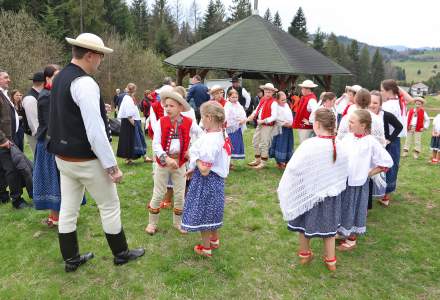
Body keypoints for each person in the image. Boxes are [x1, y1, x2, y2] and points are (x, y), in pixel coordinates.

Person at [47, 33, 144, 272]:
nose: (101, 60)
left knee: (68, 209)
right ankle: (121, 253)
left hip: (63, 158)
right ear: (89, 55)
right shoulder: (85, 83)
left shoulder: (59, 78)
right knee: (109, 205)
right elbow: (96, 132)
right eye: (100, 55)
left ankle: (71, 260)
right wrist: (112, 167)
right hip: (86, 159)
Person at [278, 108, 348, 271]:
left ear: (316, 124)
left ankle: (305, 254)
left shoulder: (309, 145)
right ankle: (331, 261)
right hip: (331, 195)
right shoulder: (341, 144)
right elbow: (344, 170)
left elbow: (294, 168)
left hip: (310, 193)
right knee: (330, 230)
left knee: (303, 225)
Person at [145, 89, 203, 235]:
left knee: (179, 193)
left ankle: (178, 223)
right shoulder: (161, 122)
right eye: (166, 106)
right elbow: (156, 144)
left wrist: (192, 150)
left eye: (172, 106)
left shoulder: (189, 122)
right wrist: (166, 158)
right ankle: (152, 223)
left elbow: (202, 136)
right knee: (158, 193)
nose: (168, 108)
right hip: (163, 163)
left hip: (181, 163)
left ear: (180, 108)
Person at [337, 110, 393, 251]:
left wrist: (368, 173)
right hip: (344, 181)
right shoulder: (348, 138)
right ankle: (343, 231)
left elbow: (386, 162)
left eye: (352, 122)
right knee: (343, 207)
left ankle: (351, 239)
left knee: (354, 209)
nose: (349, 124)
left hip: (358, 184)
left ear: (363, 125)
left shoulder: (371, 142)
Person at [181, 101, 231, 257]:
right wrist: (192, 169)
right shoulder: (222, 133)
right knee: (212, 210)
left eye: (202, 117)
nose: (201, 119)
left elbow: (204, 169)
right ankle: (214, 240)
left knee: (203, 213)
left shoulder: (210, 140)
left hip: (207, 181)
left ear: (209, 117)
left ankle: (205, 247)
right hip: (217, 181)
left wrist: (194, 158)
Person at [33, 64, 62, 227]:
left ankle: (55, 216)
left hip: (52, 141)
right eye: (56, 75)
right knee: (52, 180)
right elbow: (52, 123)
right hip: (48, 142)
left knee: (57, 179)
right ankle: (55, 217)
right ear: (47, 78)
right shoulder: (46, 96)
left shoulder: (52, 93)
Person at [0, 69, 31, 208]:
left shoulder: (4, 94)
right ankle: (17, 200)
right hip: (4, 141)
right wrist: (3, 140)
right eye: (6, 77)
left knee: (3, 169)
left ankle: (3, 195)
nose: (9, 80)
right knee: (11, 169)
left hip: (9, 139)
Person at [380, 79, 413, 204]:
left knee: (388, 165)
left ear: (389, 91)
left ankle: (385, 195)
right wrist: (396, 87)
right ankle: (386, 194)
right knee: (393, 164)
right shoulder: (400, 101)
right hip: (396, 138)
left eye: (382, 90)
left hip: (389, 138)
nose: (381, 92)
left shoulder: (388, 105)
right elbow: (411, 99)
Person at [368, 91, 403, 206]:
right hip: (369, 147)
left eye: (375, 103)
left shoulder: (386, 115)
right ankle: (369, 196)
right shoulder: (364, 114)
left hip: (384, 147)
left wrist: (389, 140)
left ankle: (385, 195)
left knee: (385, 170)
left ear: (380, 104)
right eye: (370, 102)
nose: (372, 105)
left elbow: (399, 126)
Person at [247, 83, 278, 170]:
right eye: (266, 91)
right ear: (263, 91)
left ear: (272, 92)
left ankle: (263, 162)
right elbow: (257, 109)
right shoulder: (263, 99)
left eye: (269, 92)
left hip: (267, 125)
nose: (267, 93)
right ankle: (257, 159)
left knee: (264, 143)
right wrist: (252, 115)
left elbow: (274, 116)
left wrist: (263, 121)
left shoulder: (274, 102)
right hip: (260, 124)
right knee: (255, 141)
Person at [117, 83, 147, 164]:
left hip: (132, 121)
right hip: (130, 122)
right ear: (134, 90)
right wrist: (135, 125)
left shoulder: (130, 98)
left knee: (134, 140)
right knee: (130, 140)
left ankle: (142, 156)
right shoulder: (127, 99)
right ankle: (128, 159)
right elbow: (129, 115)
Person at [269, 91, 294, 169]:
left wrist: (291, 123)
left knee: (288, 144)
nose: (284, 101)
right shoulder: (276, 106)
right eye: (282, 100)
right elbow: (276, 118)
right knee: (280, 144)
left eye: (285, 99)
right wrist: (285, 124)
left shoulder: (286, 105)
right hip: (281, 128)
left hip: (289, 128)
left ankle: (287, 161)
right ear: (277, 100)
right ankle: (279, 162)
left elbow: (290, 115)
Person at [22, 71, 45, 154]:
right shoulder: (30, 98)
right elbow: (33, 123)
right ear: (44, 83)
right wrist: (41, 138)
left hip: (40, 135)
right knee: (39, 159)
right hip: (37, 137)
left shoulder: (38, 95)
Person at [224, 89, 247, 165]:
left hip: (238, 128)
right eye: (233, 97)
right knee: (230, 144)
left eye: (236, 97)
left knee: (235, 144)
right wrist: (235, 122)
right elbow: (227, 117)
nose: (235, 99)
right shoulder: (227, 105)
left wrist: (242, 119)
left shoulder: (238, 104)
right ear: (229, 97)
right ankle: (228, 162)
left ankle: (230, 162)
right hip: (231, 129)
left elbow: (242, 113)